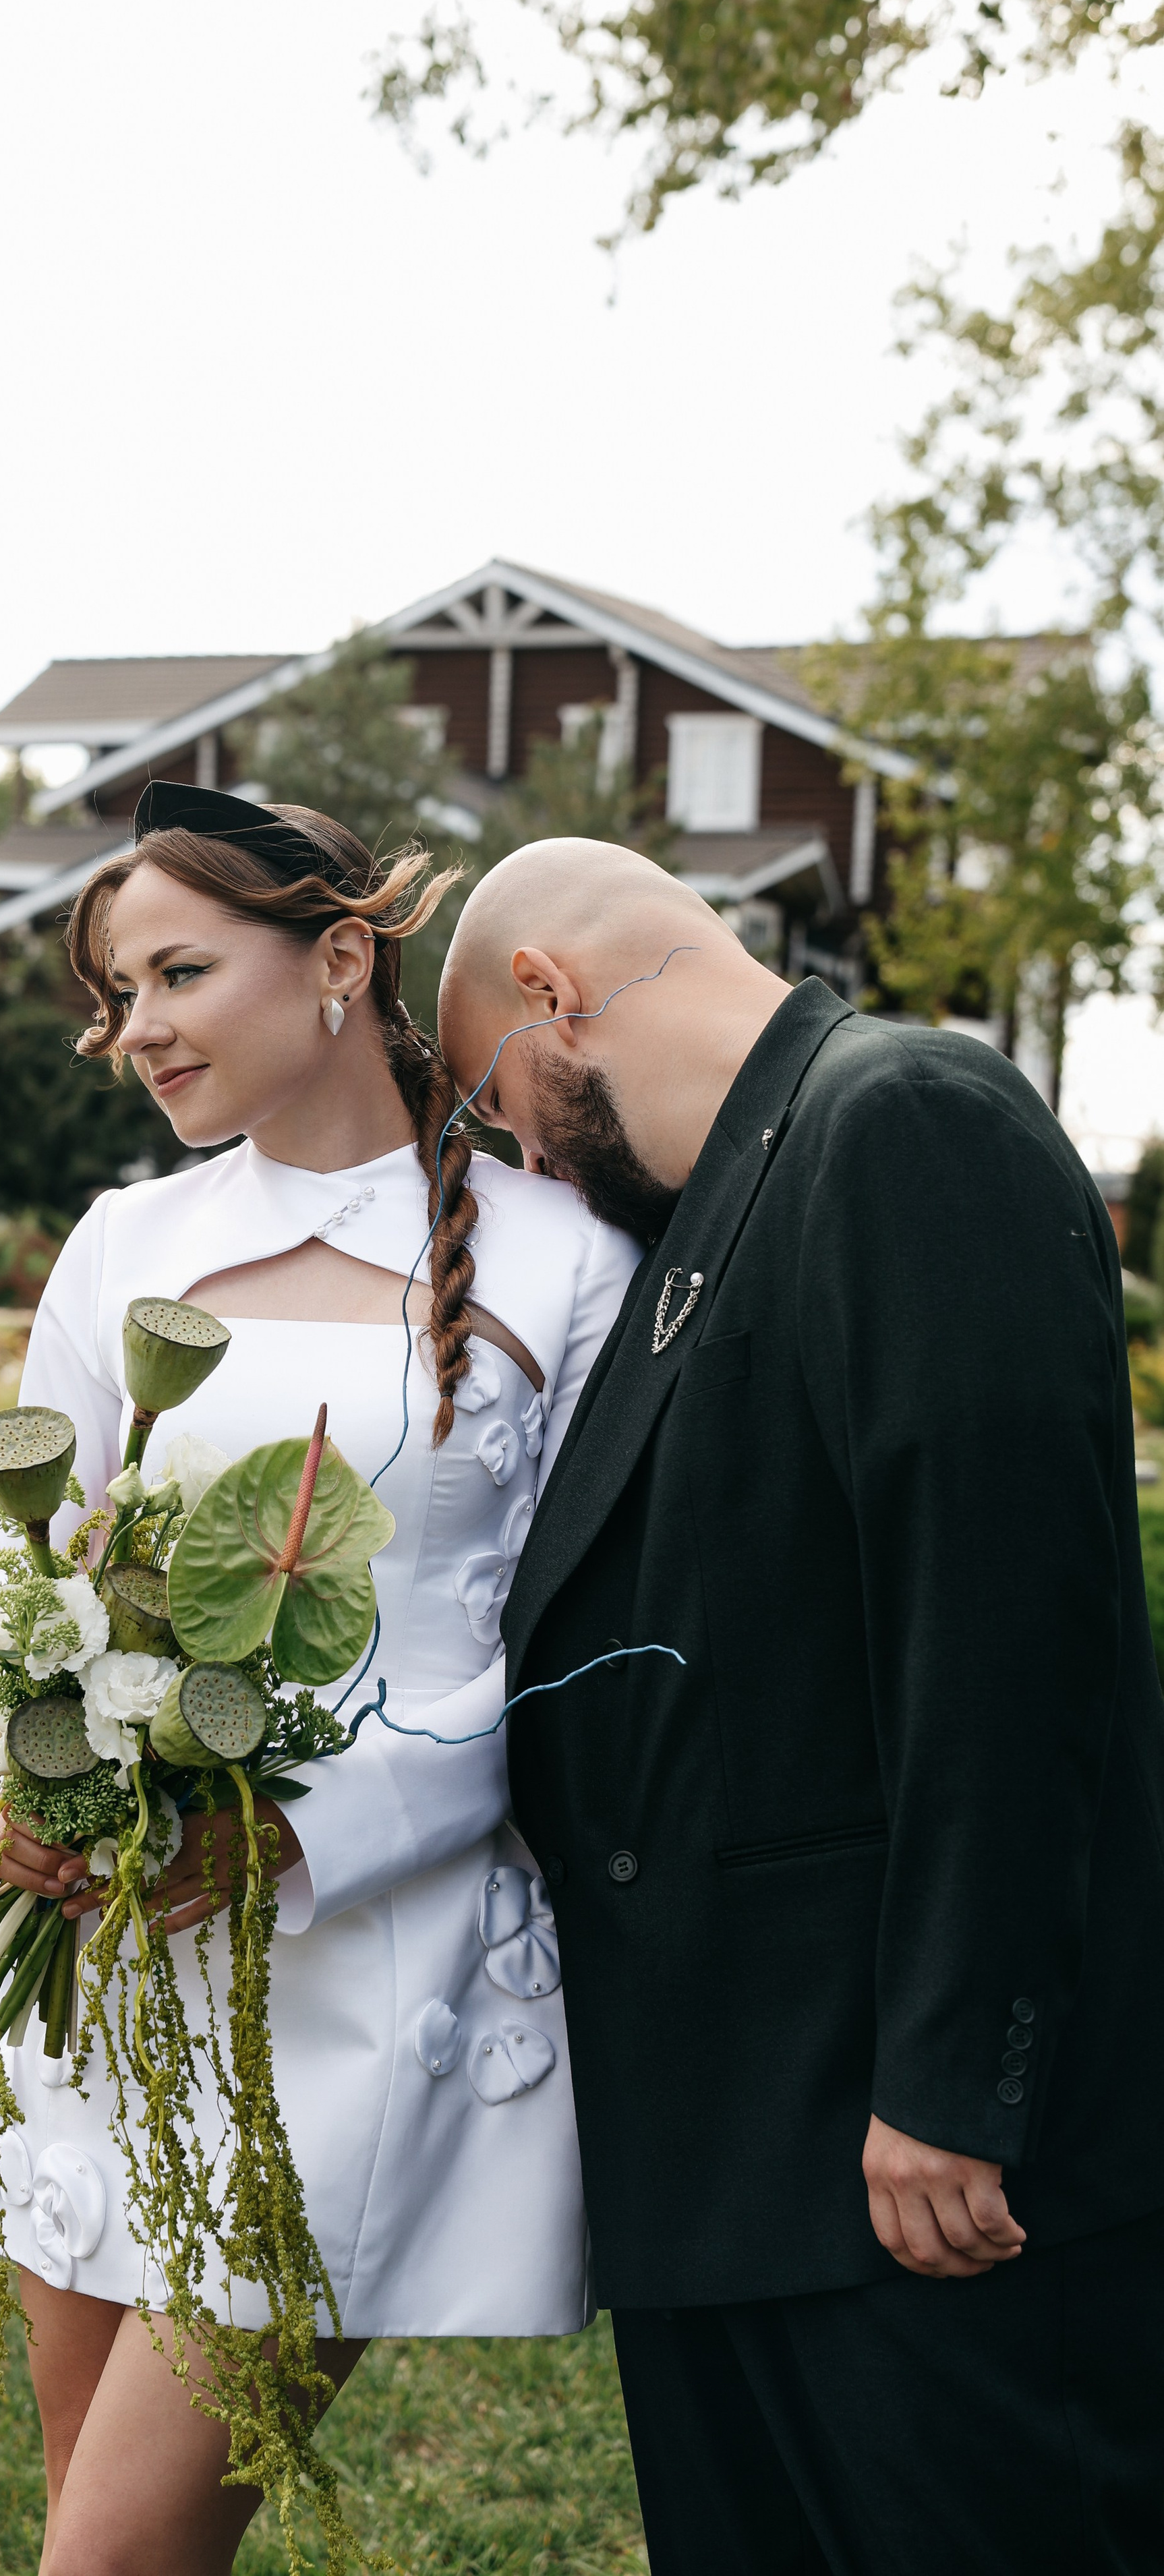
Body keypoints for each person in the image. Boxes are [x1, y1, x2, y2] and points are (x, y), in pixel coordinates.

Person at [0, 784, 641, 2576]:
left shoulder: (568, 1264)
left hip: (373, 1975)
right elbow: (28, 1544)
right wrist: (32, 1766)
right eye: (110, 996)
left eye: (173, 972)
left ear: (337, 959)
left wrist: (302, 1840)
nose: (133, 1027)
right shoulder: (122, 1244)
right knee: (92, 2514)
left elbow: (572, 1663)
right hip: (100, 1963)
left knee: (116, 2555)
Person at [435, 836, 1164, 2575]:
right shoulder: (727, 1212)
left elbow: (1007, 1643)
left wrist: (952, 2080)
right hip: (744, 2174)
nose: (519, 1158)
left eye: (490, 1108)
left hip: (913, 2176)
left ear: (552, 994)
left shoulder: (906, 1120)